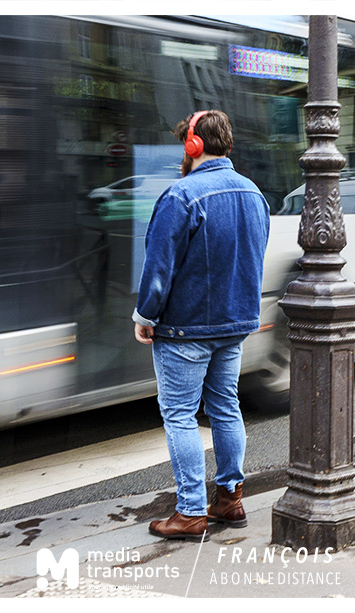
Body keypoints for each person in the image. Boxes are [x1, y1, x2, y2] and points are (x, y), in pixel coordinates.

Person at [132, 110, 270, 542]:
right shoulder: (253, 193)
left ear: (193, 146)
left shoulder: (181, 196)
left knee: (180, 415)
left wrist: (145, 316)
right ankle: (230, 498)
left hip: (184, 330)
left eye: (183, 145)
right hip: (233, 326)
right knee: (226, 408)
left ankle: (191, 512)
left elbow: (158, 269)